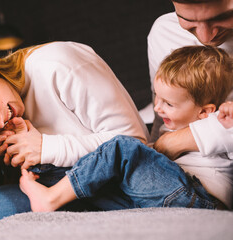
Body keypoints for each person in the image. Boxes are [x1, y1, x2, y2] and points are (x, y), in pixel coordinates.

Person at [0, 41, 149, 222]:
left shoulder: (58, 65)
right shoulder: (3, 124)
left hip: (126, 183)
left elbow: (136, 143)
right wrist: (12, 162)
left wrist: (46, 148)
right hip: (71, 192)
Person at [19, 46, 233, 213]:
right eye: (157, 96)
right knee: (97, 176)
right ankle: (51, 186)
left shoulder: (219, 120)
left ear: (205, 111)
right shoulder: (173, 127)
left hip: (198, 198)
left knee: (123, 147)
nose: (158, 108)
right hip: (162, 197)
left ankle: (51, 198)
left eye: (169, 104)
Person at [147, 0, 233, 150]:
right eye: (188, 20)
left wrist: (174, 143)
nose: (205, 38)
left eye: (221, 18)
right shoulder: (165, 33)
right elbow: (161, 121)